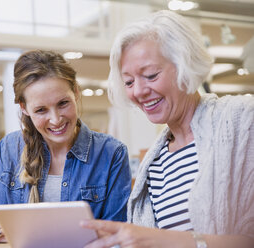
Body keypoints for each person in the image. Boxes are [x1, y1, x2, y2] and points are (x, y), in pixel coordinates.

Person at [81, 10, 254, 248]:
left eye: (150, 75)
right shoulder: (154, 165)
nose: (138, 91)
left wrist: (163, 240)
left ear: (185, 64)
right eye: (129, 82)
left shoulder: (242, 121)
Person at [0, 50, 132, 242]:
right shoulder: (9, 148)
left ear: (76, 92)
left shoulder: (111, 153)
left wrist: (22, 234)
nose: (55, 119)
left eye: (62, 103)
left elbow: (117, 235)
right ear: (24, 108)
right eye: (41, 110)